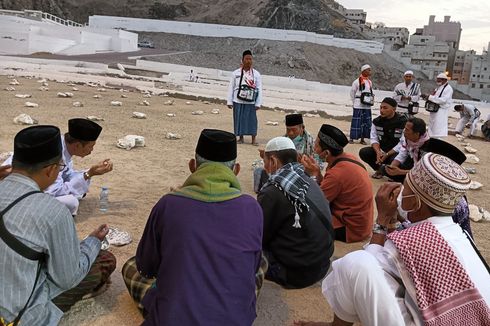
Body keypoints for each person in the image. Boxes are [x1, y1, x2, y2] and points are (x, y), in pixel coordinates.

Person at [296, 153, 490, 326]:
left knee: (354, 264)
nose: (400, 192)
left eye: (405, 187)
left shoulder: (416, 240)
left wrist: (382, 219)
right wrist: (392, 221)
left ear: (415, 202)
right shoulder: (461, 236)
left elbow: (372, 260)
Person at [122, 129, 266, 326]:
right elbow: (254, 265)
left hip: (172, 319)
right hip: (236, 320)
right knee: (261, 263)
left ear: (192, 165)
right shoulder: (252, 208)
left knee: (130, 267)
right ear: (236, 170)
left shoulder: (168, 204)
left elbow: (146, 267)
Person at [0, 126, 116, 326]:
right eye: (60, 168)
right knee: (104, 260)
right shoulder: (54, 212)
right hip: (16, 316)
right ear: (51, 169)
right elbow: (67, 278)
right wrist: (93, 241)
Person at [257, 137, 334, 289]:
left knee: (240, 246)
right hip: (322, 265)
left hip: (295, 273)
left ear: (273, 161)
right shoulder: (306, 178)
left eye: (264, 161)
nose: (264, 166)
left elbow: (260, 236)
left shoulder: (273, 191)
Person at [302, 124, 374, 243]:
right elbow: (330, 187)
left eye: (316, 145)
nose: (314, 149)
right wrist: (317, 173)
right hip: (362, 223)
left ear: (326, 153)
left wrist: (311, 176)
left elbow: (316, 202)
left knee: (300, 221)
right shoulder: (349, 158)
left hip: (351, 228)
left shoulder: (337, 174)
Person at [45, 118, 113, 215]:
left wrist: (91, 171)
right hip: (34, 192)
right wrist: (88, 174)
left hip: (48, 187)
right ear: (77, 145)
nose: (91, 150)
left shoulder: (64, 146)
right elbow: (55, 192)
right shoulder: (56, 154)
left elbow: (67, 175)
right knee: (72, 202)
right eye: (90, 146)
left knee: (78, 191)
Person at [359, 97, 407, 179]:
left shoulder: (402, 122)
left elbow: (403, 143)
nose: (381, 110)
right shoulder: (376, 121)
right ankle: (380, 170)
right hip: (382, 150)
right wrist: (378, 152)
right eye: (380, 107)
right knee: (364, 152)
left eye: (385, 108)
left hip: (396, 152)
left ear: (394, 109)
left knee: (398, 160)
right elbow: (374, 138)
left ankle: (391, 173)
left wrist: (387, 154)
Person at [227, 50, 263, 146]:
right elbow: (231, 87)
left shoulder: (256, 74)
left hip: (251, 101)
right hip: (237, 100)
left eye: (250, 59)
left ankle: (253, 139)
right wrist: (229, 101)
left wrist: (258, 103)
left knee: (252, 120)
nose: (248, 61)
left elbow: (259, 89)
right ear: (242, 60)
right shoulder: (235, 73)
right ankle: (240, 137)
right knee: (238, 119)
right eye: (246, 59)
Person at [383, 117, 429, 182]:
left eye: (407, 130)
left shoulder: (427, 147)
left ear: (417, 134)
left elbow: (423, 171)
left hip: (423, 173)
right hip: (412, 162)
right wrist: (392, 167)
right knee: (387, 168)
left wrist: (400, 172)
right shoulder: (408, 139)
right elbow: (402, 153)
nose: (404, 131)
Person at [421, 73, 453, 138]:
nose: (437, 82)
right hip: (435, 109)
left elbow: (443, 100)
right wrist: (427, 97)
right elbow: (435, 97)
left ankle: (438, 139)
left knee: (438, 127)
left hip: (441, 110)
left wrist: (429, 97)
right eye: (437, 80)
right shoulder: (439, 87)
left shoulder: (448, 89)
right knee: (433, 125)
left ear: (444, 80)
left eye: (439, 80)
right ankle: (432, 137)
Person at [349, 64, 374, 145]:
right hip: (358, 104)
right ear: (363, 71)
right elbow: (352, 92)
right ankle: (352, 138)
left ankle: (362, 139)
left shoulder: (369, 82)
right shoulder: (356, 81)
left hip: (367, 105)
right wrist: (354, 102)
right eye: (368, 70)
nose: (370, 71)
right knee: (356, 121)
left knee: (366, 122)